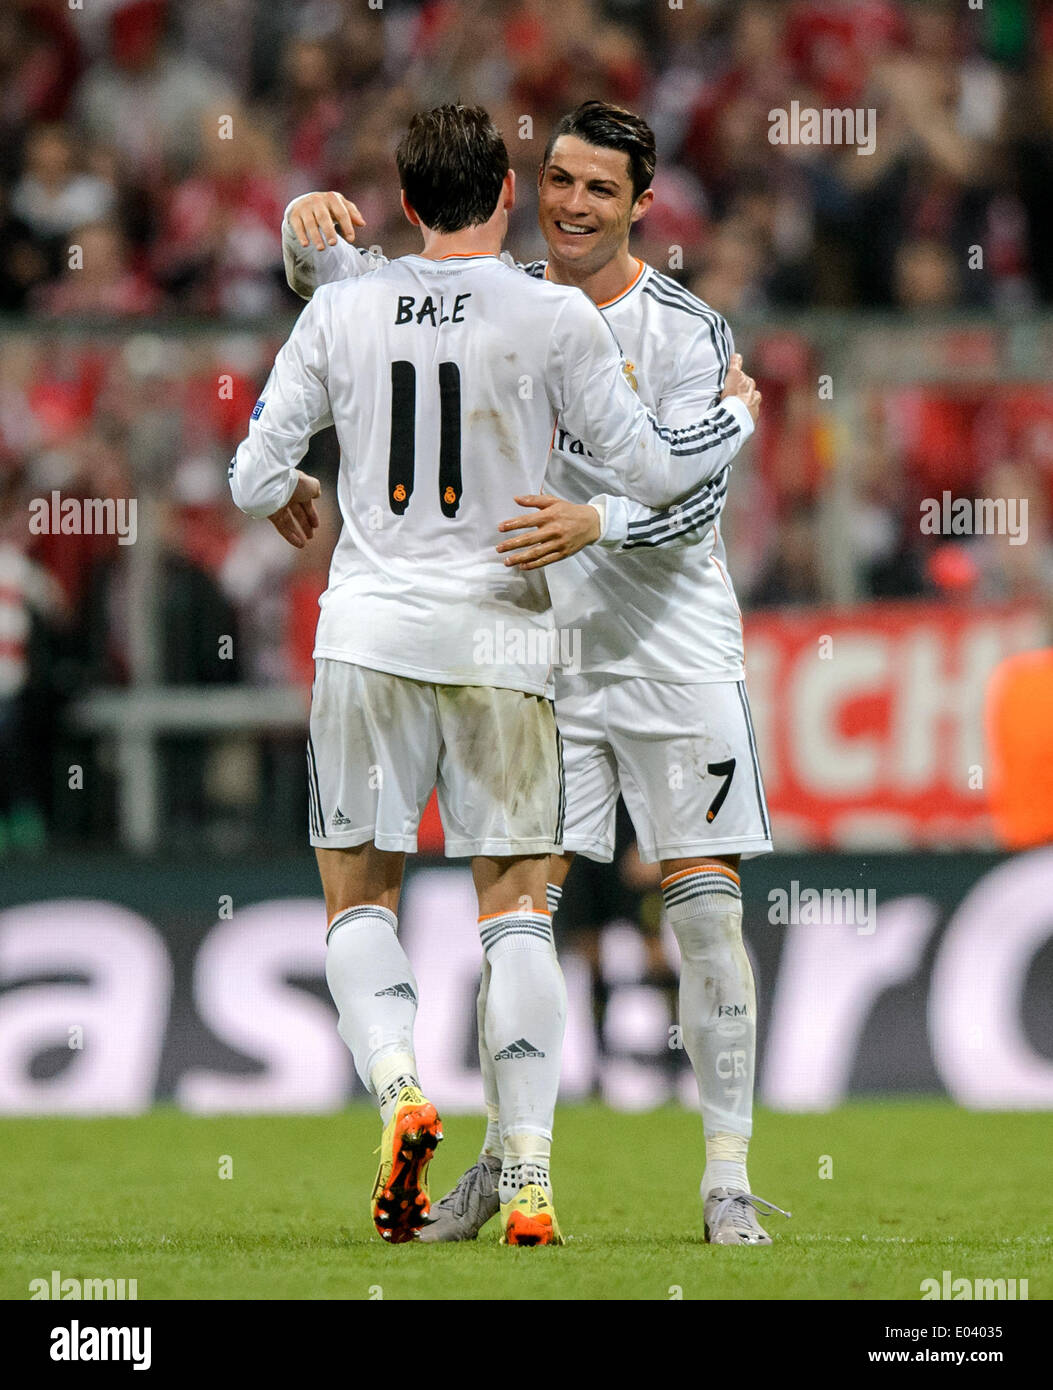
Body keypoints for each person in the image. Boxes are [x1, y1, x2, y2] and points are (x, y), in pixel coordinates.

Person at [231, 103, 759, 1248]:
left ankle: (404, 1089)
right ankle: (523, 1179)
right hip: (521, 645)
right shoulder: (547, 309)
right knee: (521, 917)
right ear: (515, 192)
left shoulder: (359, 304)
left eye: (598, 188)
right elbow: (668, 466)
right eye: (556, 179)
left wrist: (304, 252)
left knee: (364, 898)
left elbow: (294, 396)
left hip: (431, 638)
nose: (572, 202)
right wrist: (730, 427)